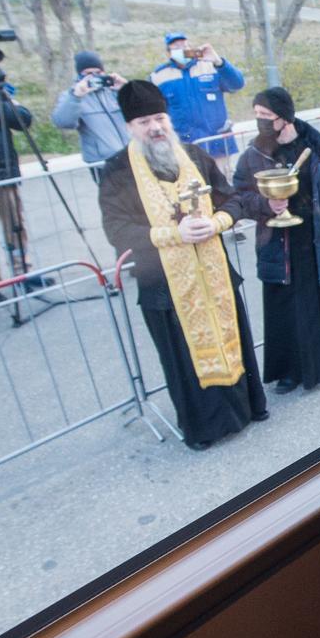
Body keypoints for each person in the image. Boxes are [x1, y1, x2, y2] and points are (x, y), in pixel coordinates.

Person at [99, 81, 267, 450]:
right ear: (130, 127)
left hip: (216, 274)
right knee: (185, 362)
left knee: (233, 340)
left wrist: (217, 222)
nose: (155, 127)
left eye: (159, 118)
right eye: (144, 122)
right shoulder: (116, 171)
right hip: (164, 286)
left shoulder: (194, 156)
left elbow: (234, 201)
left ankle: (248, 408)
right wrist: (173, 233)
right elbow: (117, 230)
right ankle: (204, 430)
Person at [232, 87, 320, 395]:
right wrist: (267, 207)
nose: (261, 122)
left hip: (318, 237)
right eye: (257, 116)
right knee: (284, 308)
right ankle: (289, 370)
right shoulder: (253, 155)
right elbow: (239, 196)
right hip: (278, 243)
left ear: (285, 117)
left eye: (267, 116)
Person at [150, 32, 244, 164]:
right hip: (184, 146)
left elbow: (237, 84)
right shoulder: (158, 76)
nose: (182, 50)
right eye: (176, 47)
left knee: (222, 181)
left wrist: (219, 62)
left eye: (185, 45)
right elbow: (154, 111)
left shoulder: (210, 65)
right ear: (168, 53)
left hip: (217, 142)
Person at [50, 50, 129, 183]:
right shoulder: (71, 95)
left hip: (131, 157)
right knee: (117, 202)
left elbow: (144, 110)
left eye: (98, 72)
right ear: (80, 75)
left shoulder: (114, 92)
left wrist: (127, 88)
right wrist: (77, 96)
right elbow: (62, 122)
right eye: (88, 73)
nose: (94, 76)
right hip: (103, 164)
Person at [0, 71, 38, 283]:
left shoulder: (2, 93)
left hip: (4, 170)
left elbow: (23, 119)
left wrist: (3, 96)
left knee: (15, 224)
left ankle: (22, 273)